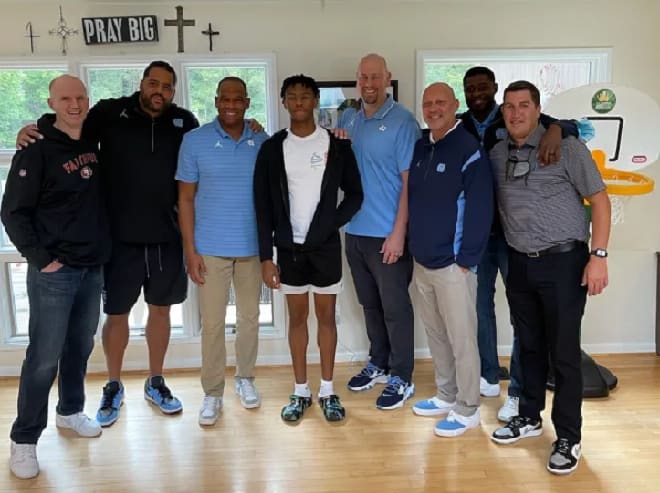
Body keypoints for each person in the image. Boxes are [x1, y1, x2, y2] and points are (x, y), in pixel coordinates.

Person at [17, 61, 199, 425]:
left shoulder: (185, 122)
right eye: (153, 83)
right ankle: (113, 385)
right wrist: (34, 128)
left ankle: (155, 381)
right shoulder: (110, 112)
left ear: (173, 91)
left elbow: (204, 158)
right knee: (117, 316)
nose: (158, 90)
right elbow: (69, 128)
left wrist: (253, 126)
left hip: (167, 238)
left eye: (166, 85)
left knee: (161, 311)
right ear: (142, 83)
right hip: (117, 239)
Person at [488, 81, 610, 475]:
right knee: (529, 346)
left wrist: (599, 257)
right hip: (520, 263)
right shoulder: (497, 152)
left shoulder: (566, 147)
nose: (516, 113)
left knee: (563, 353)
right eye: (509, 107)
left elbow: (601, 200)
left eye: (524, 106)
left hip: (564, 262)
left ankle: (569, 437)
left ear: (539, 111)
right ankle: (529, 417)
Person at [1, 75, 111, 479]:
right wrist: (41, 259)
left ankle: (70, 411)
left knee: (80, 346)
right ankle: (24, 439)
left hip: (92, 267)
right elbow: (12, 211)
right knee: (44, 357)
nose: (75, 104)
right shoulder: (36, 148)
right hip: (55, 272)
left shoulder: (92, 141)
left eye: (81, 96)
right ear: (51, 101)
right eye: (66, 98)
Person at [461, 66, 583, 421]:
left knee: (522, 319)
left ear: (495, 89)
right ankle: (487, 375)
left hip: (515, 238)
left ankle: (517, 390)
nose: (477, 93)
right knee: (480, 307)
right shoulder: (461, 124)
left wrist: (559, 128)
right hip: (480, 235)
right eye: (471, 88)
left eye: (483, 87)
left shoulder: (520, 120)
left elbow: (571, 125)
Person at [254, 74, 362, 422]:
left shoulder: (337, 145)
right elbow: (262, 206)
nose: (298, 102)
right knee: (297, 318)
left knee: (327, 318)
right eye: (292, 97)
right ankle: (300, 391)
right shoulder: (272, 148)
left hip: (325, 249)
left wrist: (330, 223)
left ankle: (327, 391)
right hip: (288, 251)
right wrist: (265, 258)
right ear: (283, 102)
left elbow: (355, 195)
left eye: (305, 96)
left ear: (315, 101)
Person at [176, 77, 269, 426]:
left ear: (246, 102)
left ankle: (245, 379)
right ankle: (213, 392)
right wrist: (190, 250)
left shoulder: (261, 140)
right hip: (209, 250)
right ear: (216, 102)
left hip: (251, 248)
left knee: (249, 319)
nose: (231, 104)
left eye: (237, 99)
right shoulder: (194, 141)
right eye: (224, 99)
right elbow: (185, 199)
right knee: (212, 324)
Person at [408, 83, 493, 437]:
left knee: (462, 339)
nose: (433, 108)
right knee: (437, 335)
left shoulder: (468, 149)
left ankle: (469, 407)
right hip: (422, 263)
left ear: (455, 106)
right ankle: (446, 394)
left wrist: (465, 259)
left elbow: (481, 207)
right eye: (428, 104)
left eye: (441, 102)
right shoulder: (420, 146)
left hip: (453, 266)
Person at [339, 54, 421, 410]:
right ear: (357, 80)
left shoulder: (403, 122)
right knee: (369, 304)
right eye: (363, 78)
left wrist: (399, 232)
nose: (369, 84)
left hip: (388, 233)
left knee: (395, 308)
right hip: (355, 232)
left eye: (376, 77)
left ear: (387, 78)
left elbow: (409, 183)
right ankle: (379, 362)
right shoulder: (349, 120)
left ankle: (402, 376)